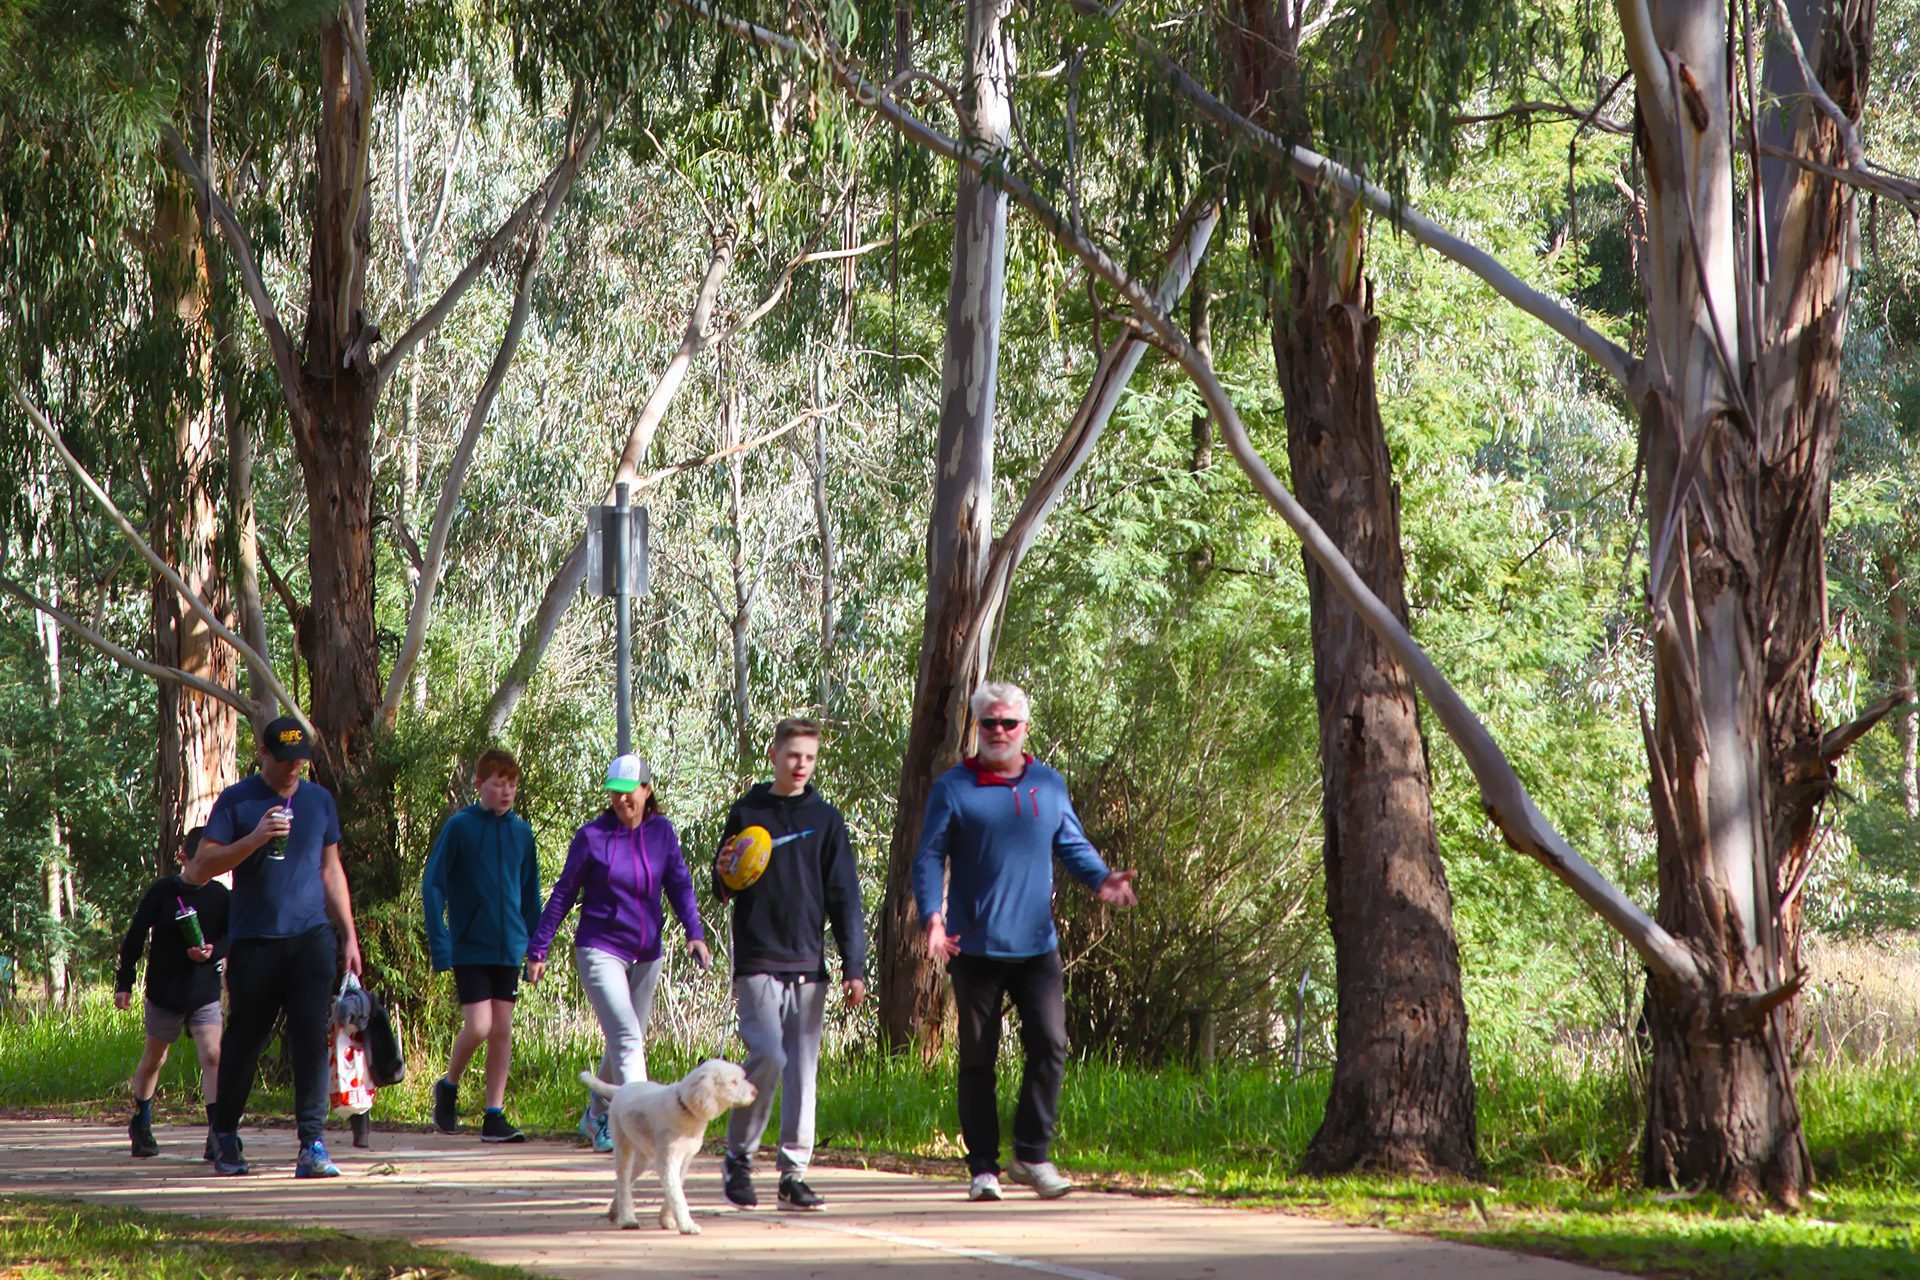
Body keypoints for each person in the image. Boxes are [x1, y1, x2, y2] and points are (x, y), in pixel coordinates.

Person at [913, 681, 1139, 1202]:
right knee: (977, 1060)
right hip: (972, 948)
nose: (998, 732)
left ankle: (1031, 1155)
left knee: (1051, 1044)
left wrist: (1102, 879)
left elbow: (1071, 843)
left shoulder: (1049, 784)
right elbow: (927, 857)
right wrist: (933, 917)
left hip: (1036, 946)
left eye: (1008, 723)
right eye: (989, 723)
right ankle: (984, 1168)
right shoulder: (954, 787)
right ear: (977, 728)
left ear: (1024, 729)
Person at [189, 713, 363, 1179]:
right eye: (283, 760)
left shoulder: (319, 801)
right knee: (246, 1039)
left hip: (311, 939)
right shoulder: (238, 800)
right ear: (262, 753)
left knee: (309, 1037)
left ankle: (313, 1145)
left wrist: (347, 934)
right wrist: (254, 837)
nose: (292, 770)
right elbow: (203, 864)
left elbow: (331, 870)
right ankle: (223, 1133)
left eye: (299, 761)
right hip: (255, 943)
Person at [713, 716, 867, 1211]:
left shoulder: (826, 819)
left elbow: (845, 898)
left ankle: (792, 1174)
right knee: (770, 1057)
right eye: (793, 754)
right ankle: (739, 1156)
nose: (801, 765)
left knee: (802, 1070)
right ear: (775, 756)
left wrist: (854, 966)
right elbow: (723, 885)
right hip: (758, 957)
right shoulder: (748, 810)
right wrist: (722, 872)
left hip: (809, 963)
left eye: (809, 757)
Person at [527, 753, 710, 1153]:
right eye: (616, 793)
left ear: (647, 790)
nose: (623, 800)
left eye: (631, 792)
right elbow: (563, 895)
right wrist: (538, 948)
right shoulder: (592, 837)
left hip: (647, 953)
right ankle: (645, 1127)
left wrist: (694, 932)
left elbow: (679, 885)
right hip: (600, 948)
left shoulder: (662, 832)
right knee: (627, 1037)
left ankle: (597, 1113)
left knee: (624, 1038)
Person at [422, 747, 541, 1143]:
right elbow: (433, 884)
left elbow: (530, 895)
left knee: (502, 1029)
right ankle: (449, 1085)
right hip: (470, 945)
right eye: (497, 784)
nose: (505, 791)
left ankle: (494, 1114)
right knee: (480, 1025)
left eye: (511, 784)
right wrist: (441, 943)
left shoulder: (522, 834)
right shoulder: (460, 827)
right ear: (479, 785)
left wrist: (535, 950)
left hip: (509, 947)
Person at [114, 826, 229, 1161]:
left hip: (204, 991)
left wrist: (213, 949)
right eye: (202, 861)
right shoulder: (163, 892)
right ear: (184, 858)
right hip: (166, 990)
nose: (208, 869)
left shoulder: (221, 896)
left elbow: (231, 934)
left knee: (213, 1056)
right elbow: (135, 936)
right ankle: (142, 1121)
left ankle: (217, 1133)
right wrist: (125, 982)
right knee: (155, 1059)